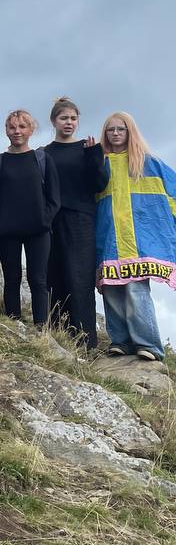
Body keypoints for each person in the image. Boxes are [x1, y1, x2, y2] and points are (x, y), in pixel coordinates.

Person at [96, 112, 176, 361]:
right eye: (111, 130)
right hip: (109, 239)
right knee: (111, 290)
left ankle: (148, 345)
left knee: (135, 290)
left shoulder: (149, 163)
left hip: (140, 242)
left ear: (130, 132)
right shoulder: (100, 164)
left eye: (121, 129)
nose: (116, 134)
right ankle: (120, 341)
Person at [0, 110, 61, 326]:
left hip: (38, 230)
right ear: (6, 131)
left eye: (22, 127)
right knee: (11, 280)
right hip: (7, 231)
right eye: (12, 127)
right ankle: (14, 325)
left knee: (38, 280)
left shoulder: (42, 159)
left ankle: (40, 329)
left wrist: (45, 220)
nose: (17, 131)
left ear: (31, 129)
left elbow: (54, 197)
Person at [44, 97, 105, 348]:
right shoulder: (44, 153)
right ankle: (58, 336)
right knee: (55, 276)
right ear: (54, 121)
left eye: (73, 118)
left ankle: (85, 341)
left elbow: (100, 184)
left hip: (81, 219)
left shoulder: (88, 148)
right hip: (53, 220)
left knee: (80, 278)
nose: (69, 123)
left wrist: (93, 156)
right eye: (63, 118)